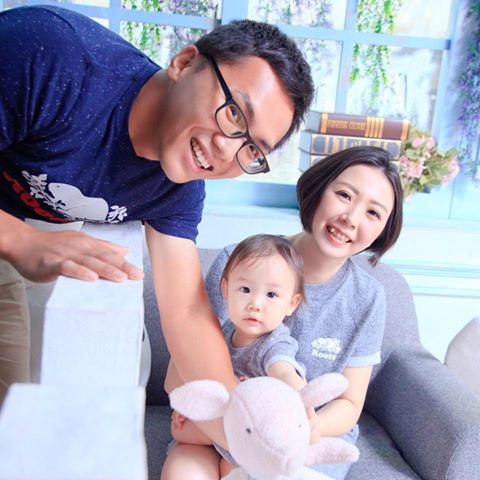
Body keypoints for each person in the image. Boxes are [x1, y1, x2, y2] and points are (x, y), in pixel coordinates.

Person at [0, 5, 314, 406]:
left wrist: (246, 417)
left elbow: (186, 314)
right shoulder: (50, 55)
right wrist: (21, 240)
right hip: (14, 235)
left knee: (12, 412)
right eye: (234, 113)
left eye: (253, 148)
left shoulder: (179, 189)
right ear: (185, 63)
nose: (226, 149)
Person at [206, 146, 404, 479]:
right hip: (226, 423)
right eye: (344, 195)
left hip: (311, 438)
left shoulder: (368, 298)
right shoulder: (236, 265)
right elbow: (190, 362)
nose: (351, 218)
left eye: (373, 213)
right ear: (319, 189)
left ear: (383, 230)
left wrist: (307, 426)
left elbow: (349, 403)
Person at [162, 233, 308, 479]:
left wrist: (301, 397)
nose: (255, 304)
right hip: (210, 434)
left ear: (291, 304)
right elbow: (188, 374)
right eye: (245, 289)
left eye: (271, 295)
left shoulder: (275, 344)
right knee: (181, 446)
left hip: (248, 442)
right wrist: (193, 405)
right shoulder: (218, 333)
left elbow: (283, 370)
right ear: (226, 290)